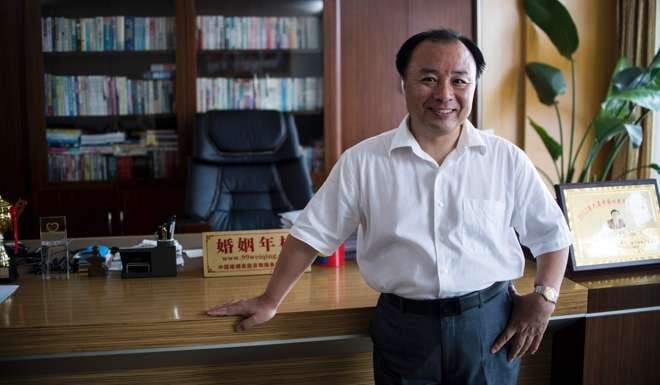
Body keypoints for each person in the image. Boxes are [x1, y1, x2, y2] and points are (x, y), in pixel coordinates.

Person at [207, 29, 571, 385]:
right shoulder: (363, 162)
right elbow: (309, 235)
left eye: (460, 81)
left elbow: (553, 235)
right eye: (429, 79)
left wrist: (543, 299)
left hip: (488, 325)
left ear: (474, 85)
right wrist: (270, 299)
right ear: (403, 82)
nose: (445, 94)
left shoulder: (505, 160)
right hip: (404, 328)